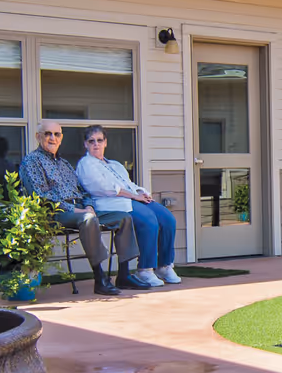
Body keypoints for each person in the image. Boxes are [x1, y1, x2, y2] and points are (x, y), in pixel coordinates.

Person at [17, 120, 140, 295]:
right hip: (56, 214)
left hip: (81, 211)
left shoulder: (64, 164)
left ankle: (124, 274)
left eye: (57, 134)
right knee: (88, 219)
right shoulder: (32, 161)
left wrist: (88, 205)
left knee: (123, 217)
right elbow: (41, 196)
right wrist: (78, 211)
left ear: (61, 138)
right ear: (38, 137)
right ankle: (100, 279)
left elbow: (83, 191)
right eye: (47, 134)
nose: (53, 138)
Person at [75, 125, 180, 287]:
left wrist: (141, 192)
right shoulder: (86, 164)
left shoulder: (115, 165)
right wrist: (134, 196)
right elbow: (103, 188)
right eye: (91, 141)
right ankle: (145, 269)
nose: (96, 144)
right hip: (109, 204)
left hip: (130, 199)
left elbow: (129, 183)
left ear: (105, 142)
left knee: (167, 219)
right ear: (85, 144)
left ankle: (164, 266)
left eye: (99, 140)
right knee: (148, 220)